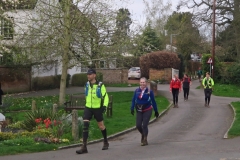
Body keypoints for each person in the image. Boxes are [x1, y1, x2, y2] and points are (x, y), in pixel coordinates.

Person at [76, 69, 109, 154]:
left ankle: (105, 141)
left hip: (97, 108)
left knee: (101, 126)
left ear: (94, 75)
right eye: (87, 74)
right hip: (88, 107)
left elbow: (105, 97)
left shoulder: (100, 85)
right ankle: (84, 147)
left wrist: (104, 106)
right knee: (85, 125)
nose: (88, 76)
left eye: (90, 74)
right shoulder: (86, 84)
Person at [130, 77, 159, 146]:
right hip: (139, 110)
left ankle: (145, 139)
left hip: (147, 110)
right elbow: (133, 100)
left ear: (146, 83)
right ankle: (143, 134)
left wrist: (156, 111)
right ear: (139, 83)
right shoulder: (137, 91)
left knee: (145, 125)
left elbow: (153, 101)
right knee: (138, 125)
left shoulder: (149, 92)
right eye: (141, 82)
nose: (142, 84)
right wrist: (132, 108)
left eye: (144, 82)